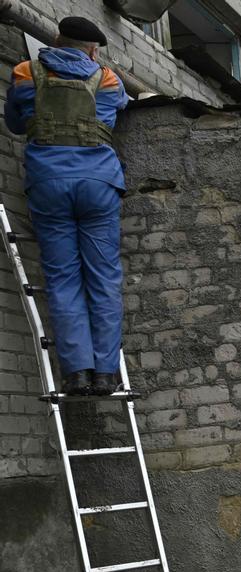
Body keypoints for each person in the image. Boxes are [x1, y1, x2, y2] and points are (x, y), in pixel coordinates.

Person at [4, 17, 130, 396]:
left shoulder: (26, 71)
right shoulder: (107, 79)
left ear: (57, 39)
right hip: (98, 183)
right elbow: (119, 109)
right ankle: (106, 375)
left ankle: (77, 373)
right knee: (104, 278)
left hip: (48, 182)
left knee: (63, 279)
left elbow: (13, 121)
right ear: (92, 49)